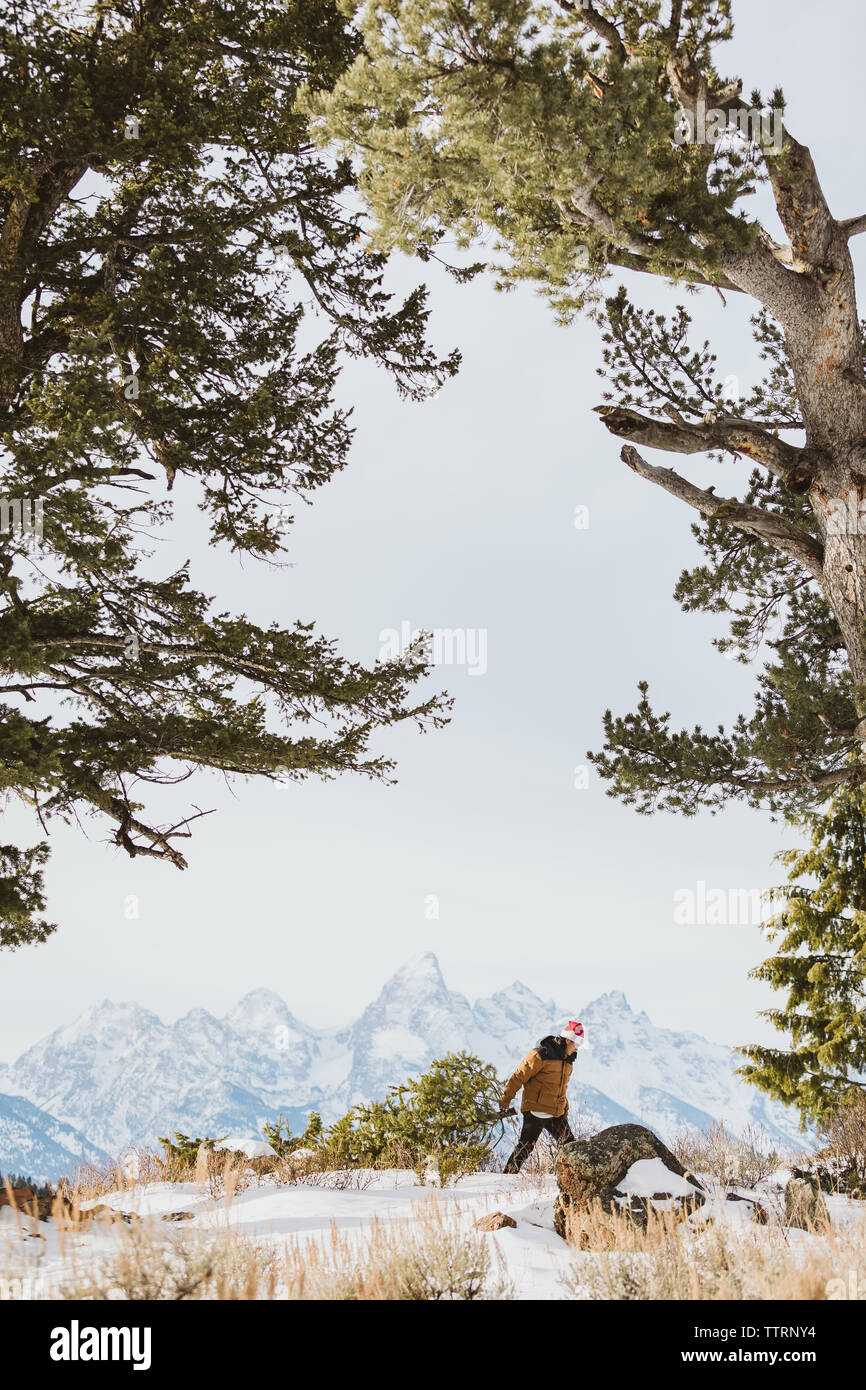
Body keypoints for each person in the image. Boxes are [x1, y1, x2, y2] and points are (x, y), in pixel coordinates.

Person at [500, 1020, 584, 1173]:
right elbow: (519, 1076)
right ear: (567, 1040)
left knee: (570, 1147)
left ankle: (572, 1180)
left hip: (555, 1113)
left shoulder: (568, 1062)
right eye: (576, 1044)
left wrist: (565, 1111)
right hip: (535, 1110)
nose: (577, 1048)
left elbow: (561, 1090)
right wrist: (506, 1099)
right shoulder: (541, 1054)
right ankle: (506, 1178)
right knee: (525, 1147)